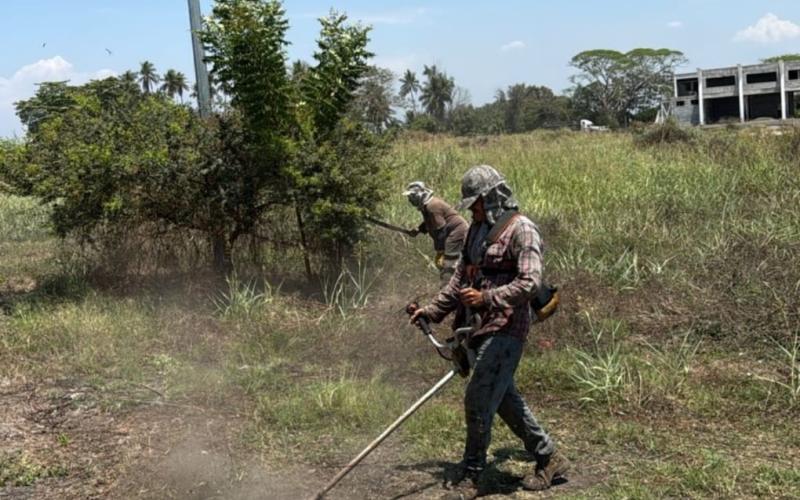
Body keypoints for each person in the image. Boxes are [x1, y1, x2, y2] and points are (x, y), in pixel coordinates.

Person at [409, 165, 568, 499]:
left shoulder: (522, 230)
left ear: (493, 196)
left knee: (479, 398)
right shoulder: (475, 230)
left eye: (477, 202)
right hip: (479, 327)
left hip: (508, 327)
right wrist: (434, 310)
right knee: (503, 397)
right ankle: (549, 456)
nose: (472, 209)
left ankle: (472, 475)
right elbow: (458, 280)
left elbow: (529, 282)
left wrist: (487, 297)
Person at [403, 181, 468, 285]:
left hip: (456, 232)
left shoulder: (431, 206)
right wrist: (419, 230)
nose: (409, 200)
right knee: (445, 262)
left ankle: (449, 286)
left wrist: (440, 251)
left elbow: (440, 230)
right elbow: (429, 222)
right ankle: (452, 285)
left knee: (448, 263)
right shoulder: (427, 206)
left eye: (411, 197)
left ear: (418, 195)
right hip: (451, 232)